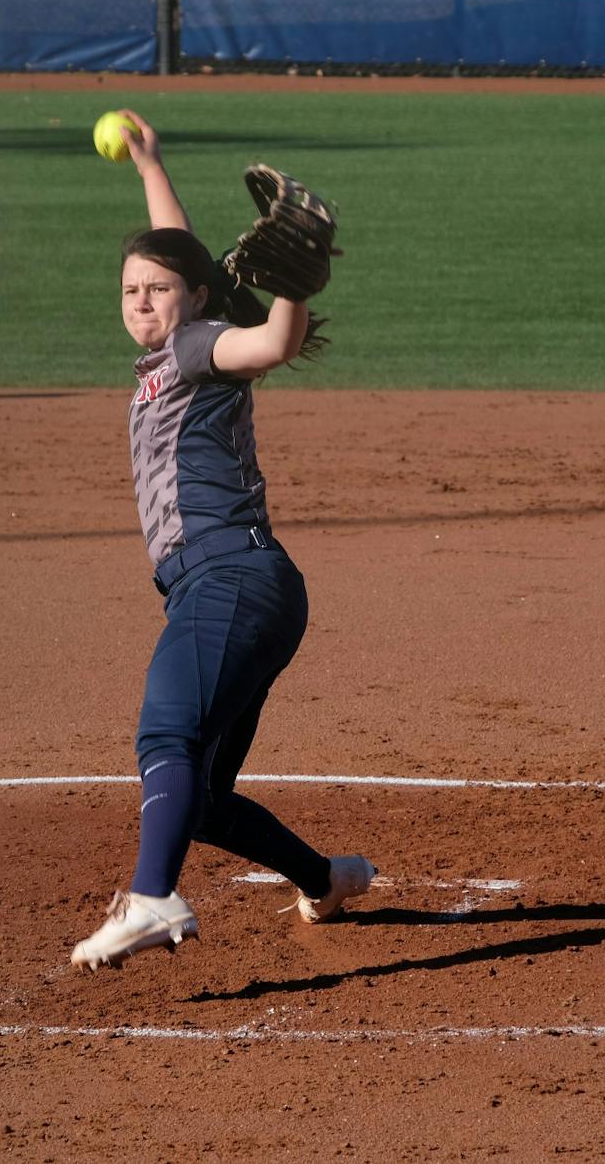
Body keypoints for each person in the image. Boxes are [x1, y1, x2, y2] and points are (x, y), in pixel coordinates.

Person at [70, 111, 376, 971]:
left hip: (230, 580)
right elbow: (182, 251)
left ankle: (155, 896)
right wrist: (148, 163)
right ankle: (327, 879)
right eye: (130, 290)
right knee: (199, 798)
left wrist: (295, 286)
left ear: (194, 301)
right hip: (240, 588)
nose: (142, 301)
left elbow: (274, 341)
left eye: (157, 291)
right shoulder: (180, 342)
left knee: (165, 735)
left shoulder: (204, 345)